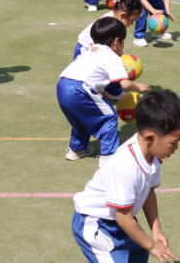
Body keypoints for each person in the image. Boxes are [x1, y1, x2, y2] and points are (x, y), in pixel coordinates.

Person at [71, 90, 180, 263]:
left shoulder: (152, 157)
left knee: (138, 256)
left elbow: (149, 192)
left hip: (121, 218)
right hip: (97, 224)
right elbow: (124, 219)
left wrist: (155, 229)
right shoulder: (126, 167)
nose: (176, 148)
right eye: (173, 143)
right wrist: (151, 246)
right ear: (150, 137)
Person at [58, 17, 151, 164]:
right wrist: (137, 87)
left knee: (80, 121)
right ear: (117, 41)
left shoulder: (90, 51)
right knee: (109, 117)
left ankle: (76, 149)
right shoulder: (112, 56)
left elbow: (87, 73)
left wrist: (93, 92)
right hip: (79, 90)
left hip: (63, 85)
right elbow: (125, 85)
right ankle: (108, 158)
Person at [76, 0, 144, 59]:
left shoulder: (116, 22)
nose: (132, 23)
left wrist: (123, 57)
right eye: (133, 20)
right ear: (123, 15)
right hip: (86, 49)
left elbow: (115, 47)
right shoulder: (108, 24)